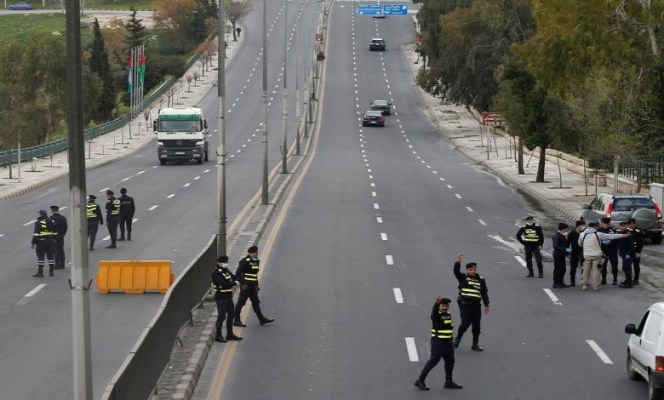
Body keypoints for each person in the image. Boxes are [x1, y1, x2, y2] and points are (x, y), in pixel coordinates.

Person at [414, 296, 463, 391]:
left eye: (446, 306)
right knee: (433, 361)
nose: (445, 307)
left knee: (450, 361)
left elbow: (449, 328)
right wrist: (436, 303)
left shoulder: (448, 314)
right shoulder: (436, 315)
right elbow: (433, 314)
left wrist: (451, 340)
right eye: (443, 306)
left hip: (448, 343)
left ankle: (448, 382)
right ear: (439, 306)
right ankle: (420, 380)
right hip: (438, 342)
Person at [452, 253, 490, 351]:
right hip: (465, 305)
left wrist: (486, 304)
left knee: (477, 327)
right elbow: (456, 271)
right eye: (470, 269)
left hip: (476, 306)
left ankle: (475, 344)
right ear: (467, 270)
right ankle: (457, 340)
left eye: (474, 269)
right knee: (465, 323)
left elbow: (484, 292)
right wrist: (458, 261)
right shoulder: (463, 277)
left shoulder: (480, 280)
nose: (473, 271)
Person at [233, 246, 274, 327]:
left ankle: (261, 319)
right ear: (249, 253)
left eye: (256, 253)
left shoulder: (256, 261)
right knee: (241, 303)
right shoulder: (244, 261)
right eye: (254, 253)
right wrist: (243, 284)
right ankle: (236, 320)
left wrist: (257, 284)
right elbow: (238, 274)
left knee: (256, 302)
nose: (255, 254)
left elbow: (254, 275)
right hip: (246, 286)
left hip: (253, 286)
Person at [578, 221, 626, 291]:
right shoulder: (598, 234)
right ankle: (596, 286)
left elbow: (579, 243)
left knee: (586, 270)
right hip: (597, 255)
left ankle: (584, 285)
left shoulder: (582, 234)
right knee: (596, 271)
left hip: (587, 255)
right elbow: (610, 236)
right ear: (594, 227)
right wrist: (623, 235)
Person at [211, 255, 243, 343]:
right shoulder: (216, 273)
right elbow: (223, 284)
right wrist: (234, 283)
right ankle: (218, 335)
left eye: (227, 262)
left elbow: (234, 276)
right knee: (221, 316)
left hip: (228, 297)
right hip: (221, 297)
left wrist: (237, 280)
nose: (226, 264)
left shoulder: (226, 271)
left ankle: (230, 334)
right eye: (225, 262)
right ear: (219, 263)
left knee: (231, 314)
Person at [31, 209, 56, 277]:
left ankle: (40, 272)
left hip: (41, 242)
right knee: (50, 256)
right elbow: (55, 232)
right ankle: (51, 272)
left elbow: (36, 234)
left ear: (41, 215)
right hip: (50, 241)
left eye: (39, 214)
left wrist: (33, 242)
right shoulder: (51, 221)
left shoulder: (38, 222)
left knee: (41, 257)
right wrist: (53, 239)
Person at [597, 217, 619, 285]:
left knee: (614, 265)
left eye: (607, 224)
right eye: (604, 224)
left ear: (609, 224)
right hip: (603, 251)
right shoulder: (599, 230)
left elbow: (617, 240)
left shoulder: (613, 230)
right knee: (603, 265)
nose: (606, 225)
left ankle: (615, 279)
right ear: (602, 224)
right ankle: (604, 279)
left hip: (612, 250)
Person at [567, 220, 585, 286]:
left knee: (584, 268)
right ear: (578, 226)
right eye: (582, 225)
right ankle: (572, 281)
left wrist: (580, 234)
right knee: (573, 268)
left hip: (583, 252)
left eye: (584, 225)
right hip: (574, 252)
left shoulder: (585, 233)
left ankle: (583, 281)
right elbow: (567, 244)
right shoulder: (571, 234)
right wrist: (568, 253)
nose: (583, 227)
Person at [618, 221, 636, 288]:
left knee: (627, 268)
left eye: (623, 226)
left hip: (628, 254)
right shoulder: (621, 233)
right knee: (625, 268)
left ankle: (629, 283)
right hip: (623, 254)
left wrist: (628, 254)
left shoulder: (629, 233)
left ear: (626, 226)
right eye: (621, 226)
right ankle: (627, 280)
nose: (622, 227)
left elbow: (632, 245)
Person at [49, 205, 68, 270]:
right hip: (61, 236)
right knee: (61, 249)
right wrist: (63, 235)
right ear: (58, 210)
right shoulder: (63, 218)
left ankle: (57, 264)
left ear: (52, 210)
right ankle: (62, 264)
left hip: (54, 237)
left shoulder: (50, 219)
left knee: (55, 251)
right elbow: (66, 227)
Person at [552, 222, 569, 288]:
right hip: (558, 255)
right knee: (558, 269)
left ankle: (561, 282)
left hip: (562, 255)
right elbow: (556, 246)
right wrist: (565, 249)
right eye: (566, 229)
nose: (567, 230)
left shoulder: (562, 235)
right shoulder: (556, 236)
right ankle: (555, 283)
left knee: (563, 269)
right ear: (563, 229)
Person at [629, 218, 644, 285]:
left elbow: (640, 243)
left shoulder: (638, 231)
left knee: (636, 265)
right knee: (628, 265)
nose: (631, 225)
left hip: (635, 251)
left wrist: (638, 252)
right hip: (629, 251)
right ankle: (628, 278)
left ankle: (636, 279)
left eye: (632, 224)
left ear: (634, 224)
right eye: (630, 224)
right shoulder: (629, 230)